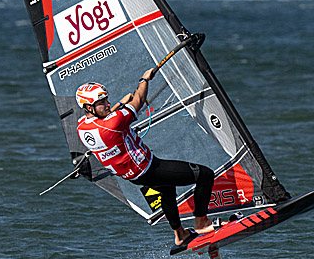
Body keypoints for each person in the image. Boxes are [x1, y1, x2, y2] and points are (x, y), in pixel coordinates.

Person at [75, 70, 215, 248]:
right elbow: (139, 101)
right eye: (102, 103)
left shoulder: (82, 126)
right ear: (89, 107)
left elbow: (103, 120)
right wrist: (144, 79)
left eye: (107, 100)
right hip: (149, 169)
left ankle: (180, 234)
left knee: (167, 189)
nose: (108, 104)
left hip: (132, 176)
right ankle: (201, 222)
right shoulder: (113, 124)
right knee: (205, 175)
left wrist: (118, 104)